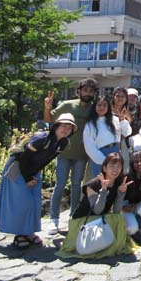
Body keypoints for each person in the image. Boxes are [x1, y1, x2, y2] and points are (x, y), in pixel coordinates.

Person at [0, 114, 77, 248]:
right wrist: (27, 178)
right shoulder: (41, 139)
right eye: (63, 126)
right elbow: (24, 158)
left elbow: (47, 159)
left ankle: (29, 232)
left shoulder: (63, 143)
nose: (66, 129)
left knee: (34, 202)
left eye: (69, 127)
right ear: (56, 126)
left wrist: (34, 175)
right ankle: (19, 234)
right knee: (21, 202)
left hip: (34, 171)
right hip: (17, 168)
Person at [43, 77, 97, 234]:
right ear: (78, 91)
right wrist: (47, 107)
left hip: (82, 154)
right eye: (85, 90)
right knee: (59, 185)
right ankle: (54, 220)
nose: (87, 93)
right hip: (63, 153)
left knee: (76, 186)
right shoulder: (67, 105)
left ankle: (74, 217)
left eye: (91, 90)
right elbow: (49, 119)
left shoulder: (94, 109)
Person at [58, 152, 136, 258]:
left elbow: (117, 210)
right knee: (114, 218)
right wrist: (103, 190)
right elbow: (97, 210)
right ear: (104, 168)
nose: (115, 169)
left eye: (118, 166)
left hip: (100, 217)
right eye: (112, 166)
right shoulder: (93, 184)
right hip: (84, 220)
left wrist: (121, 193)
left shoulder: (118, 182)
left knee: (119, 217)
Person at [84, 95, 131, 177]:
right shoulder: (90, 124)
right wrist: (104, 161)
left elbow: (127, 132)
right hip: (99, 156)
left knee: (114, 182)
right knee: (101, 183)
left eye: (105, 105)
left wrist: (122, 120)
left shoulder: (115, 119)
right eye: (99, 105)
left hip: (115, 153)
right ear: (94, 107)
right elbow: (89, 146)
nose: (102, 107)